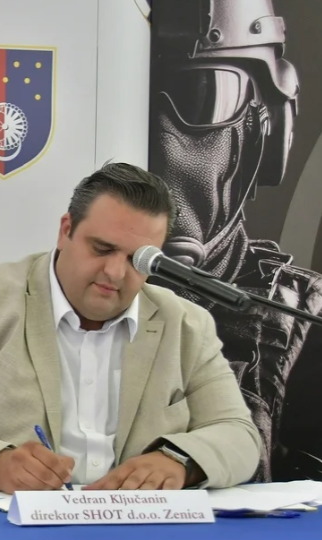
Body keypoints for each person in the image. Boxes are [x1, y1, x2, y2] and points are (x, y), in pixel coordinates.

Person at [0, 162, 261, 493]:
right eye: (102, 249)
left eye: (137, 260)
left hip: (128, 536)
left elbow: (239, 436)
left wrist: (180, 462)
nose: (115, 272)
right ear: (66, 230)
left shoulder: (187, 324)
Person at [149, 0, 320, 482]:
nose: (163, 143)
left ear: (270, 124)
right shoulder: (24, 301)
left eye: (202, 95)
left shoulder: (306, 325)